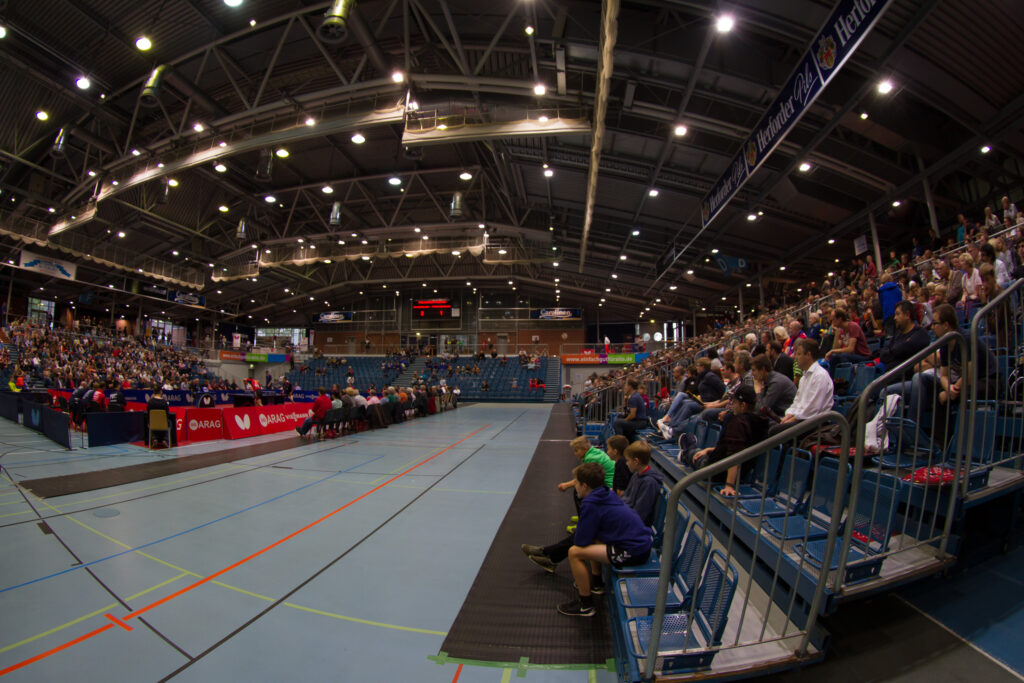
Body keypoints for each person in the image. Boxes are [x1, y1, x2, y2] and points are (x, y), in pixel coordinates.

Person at [554, 462, 653, 617]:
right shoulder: (605, 493)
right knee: (594, 538)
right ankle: (596, 583)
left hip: (634, 550)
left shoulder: (591, 503)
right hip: (640, 543)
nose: (575, 487)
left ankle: (586, 605)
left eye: (576, 483)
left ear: (584, 486)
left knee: (574, 552)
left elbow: (580, 541)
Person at [689, 385, 768, 497]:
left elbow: (734, 455)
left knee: (692, 453)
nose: (732, 406)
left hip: (715, 471)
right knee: (701, 451)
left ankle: (686, 450)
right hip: (736, 472)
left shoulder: (738, 423)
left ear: (743, 405)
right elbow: (739, 448)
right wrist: (709, 449)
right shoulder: (759, 422)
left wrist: (729, 485)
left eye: (734, 403)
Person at [769, 339, 834, 436]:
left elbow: (813, 409)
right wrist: (789, 415)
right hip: (802, 419)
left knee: (774, 431)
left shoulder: (820, 376)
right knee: (769, 425)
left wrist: (793, 419)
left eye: (799, 354)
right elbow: (797, 402)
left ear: (808, 355)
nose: (795, 357)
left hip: (814, 422)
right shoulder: (804, 377)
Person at [879, 300, 930, 369]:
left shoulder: (920, 333)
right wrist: (893, 352)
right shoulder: (898, 334)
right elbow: (883, 353)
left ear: (907, 315)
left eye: (897, 314)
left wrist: (892, 351)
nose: (894, 318)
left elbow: (901, 350)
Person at [612, 378, 648, 442]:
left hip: (640, 422)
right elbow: (627, 412)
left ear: (630, 387)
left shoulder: (634, 397)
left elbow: (632, 415)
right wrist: (625, 401)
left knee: (617, 423)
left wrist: (624, 420)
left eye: (626, 385)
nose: (625, 387)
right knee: (618, 417)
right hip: (636, 420)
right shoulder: (632, 396)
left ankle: (620, 443)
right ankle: (627, 440)